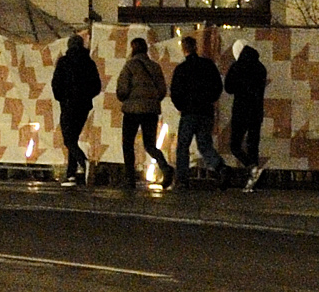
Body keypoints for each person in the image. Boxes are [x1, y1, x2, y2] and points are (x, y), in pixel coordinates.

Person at [168, 36, 225, 186]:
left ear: (183, 49)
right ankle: (220, 166)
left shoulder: (181, 69)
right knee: (204, 144)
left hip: (189, 112)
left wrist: (182, 106)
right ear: (196, 47)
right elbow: (218, 87)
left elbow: (175, 92)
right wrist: (209, 100)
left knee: (183, 145)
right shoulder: (208, 65)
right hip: (206, 111)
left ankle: (182, 178)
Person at [113, 36, 168, 188]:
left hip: (132, 110)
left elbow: (122, 91)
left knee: (128, 144)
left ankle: (130, 178)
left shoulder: (129, 66)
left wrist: (126, 97)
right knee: (150, 144)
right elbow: (162, 90)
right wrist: (152, 100)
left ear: (133, 49)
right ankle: (165, 167)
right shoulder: (155, 67)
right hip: (151, 110)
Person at [51, 32, 101, 184]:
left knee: (68, 139)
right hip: (83, 106)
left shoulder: (64, 62)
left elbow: (56, 83)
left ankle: (83, 162)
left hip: (67, 104)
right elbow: (96, 86)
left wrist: (62, 97)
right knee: (73, 137)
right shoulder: (89, 62)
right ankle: (71, 173)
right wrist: (86, 97)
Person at [224, 41, 268, 190]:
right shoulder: (260, 67)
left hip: (241, 110)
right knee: (253, 145)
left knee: (235, 145)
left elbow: (228, 88)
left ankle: (252, 168)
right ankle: (253, 181)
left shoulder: (237, 67)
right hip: (256, 110)